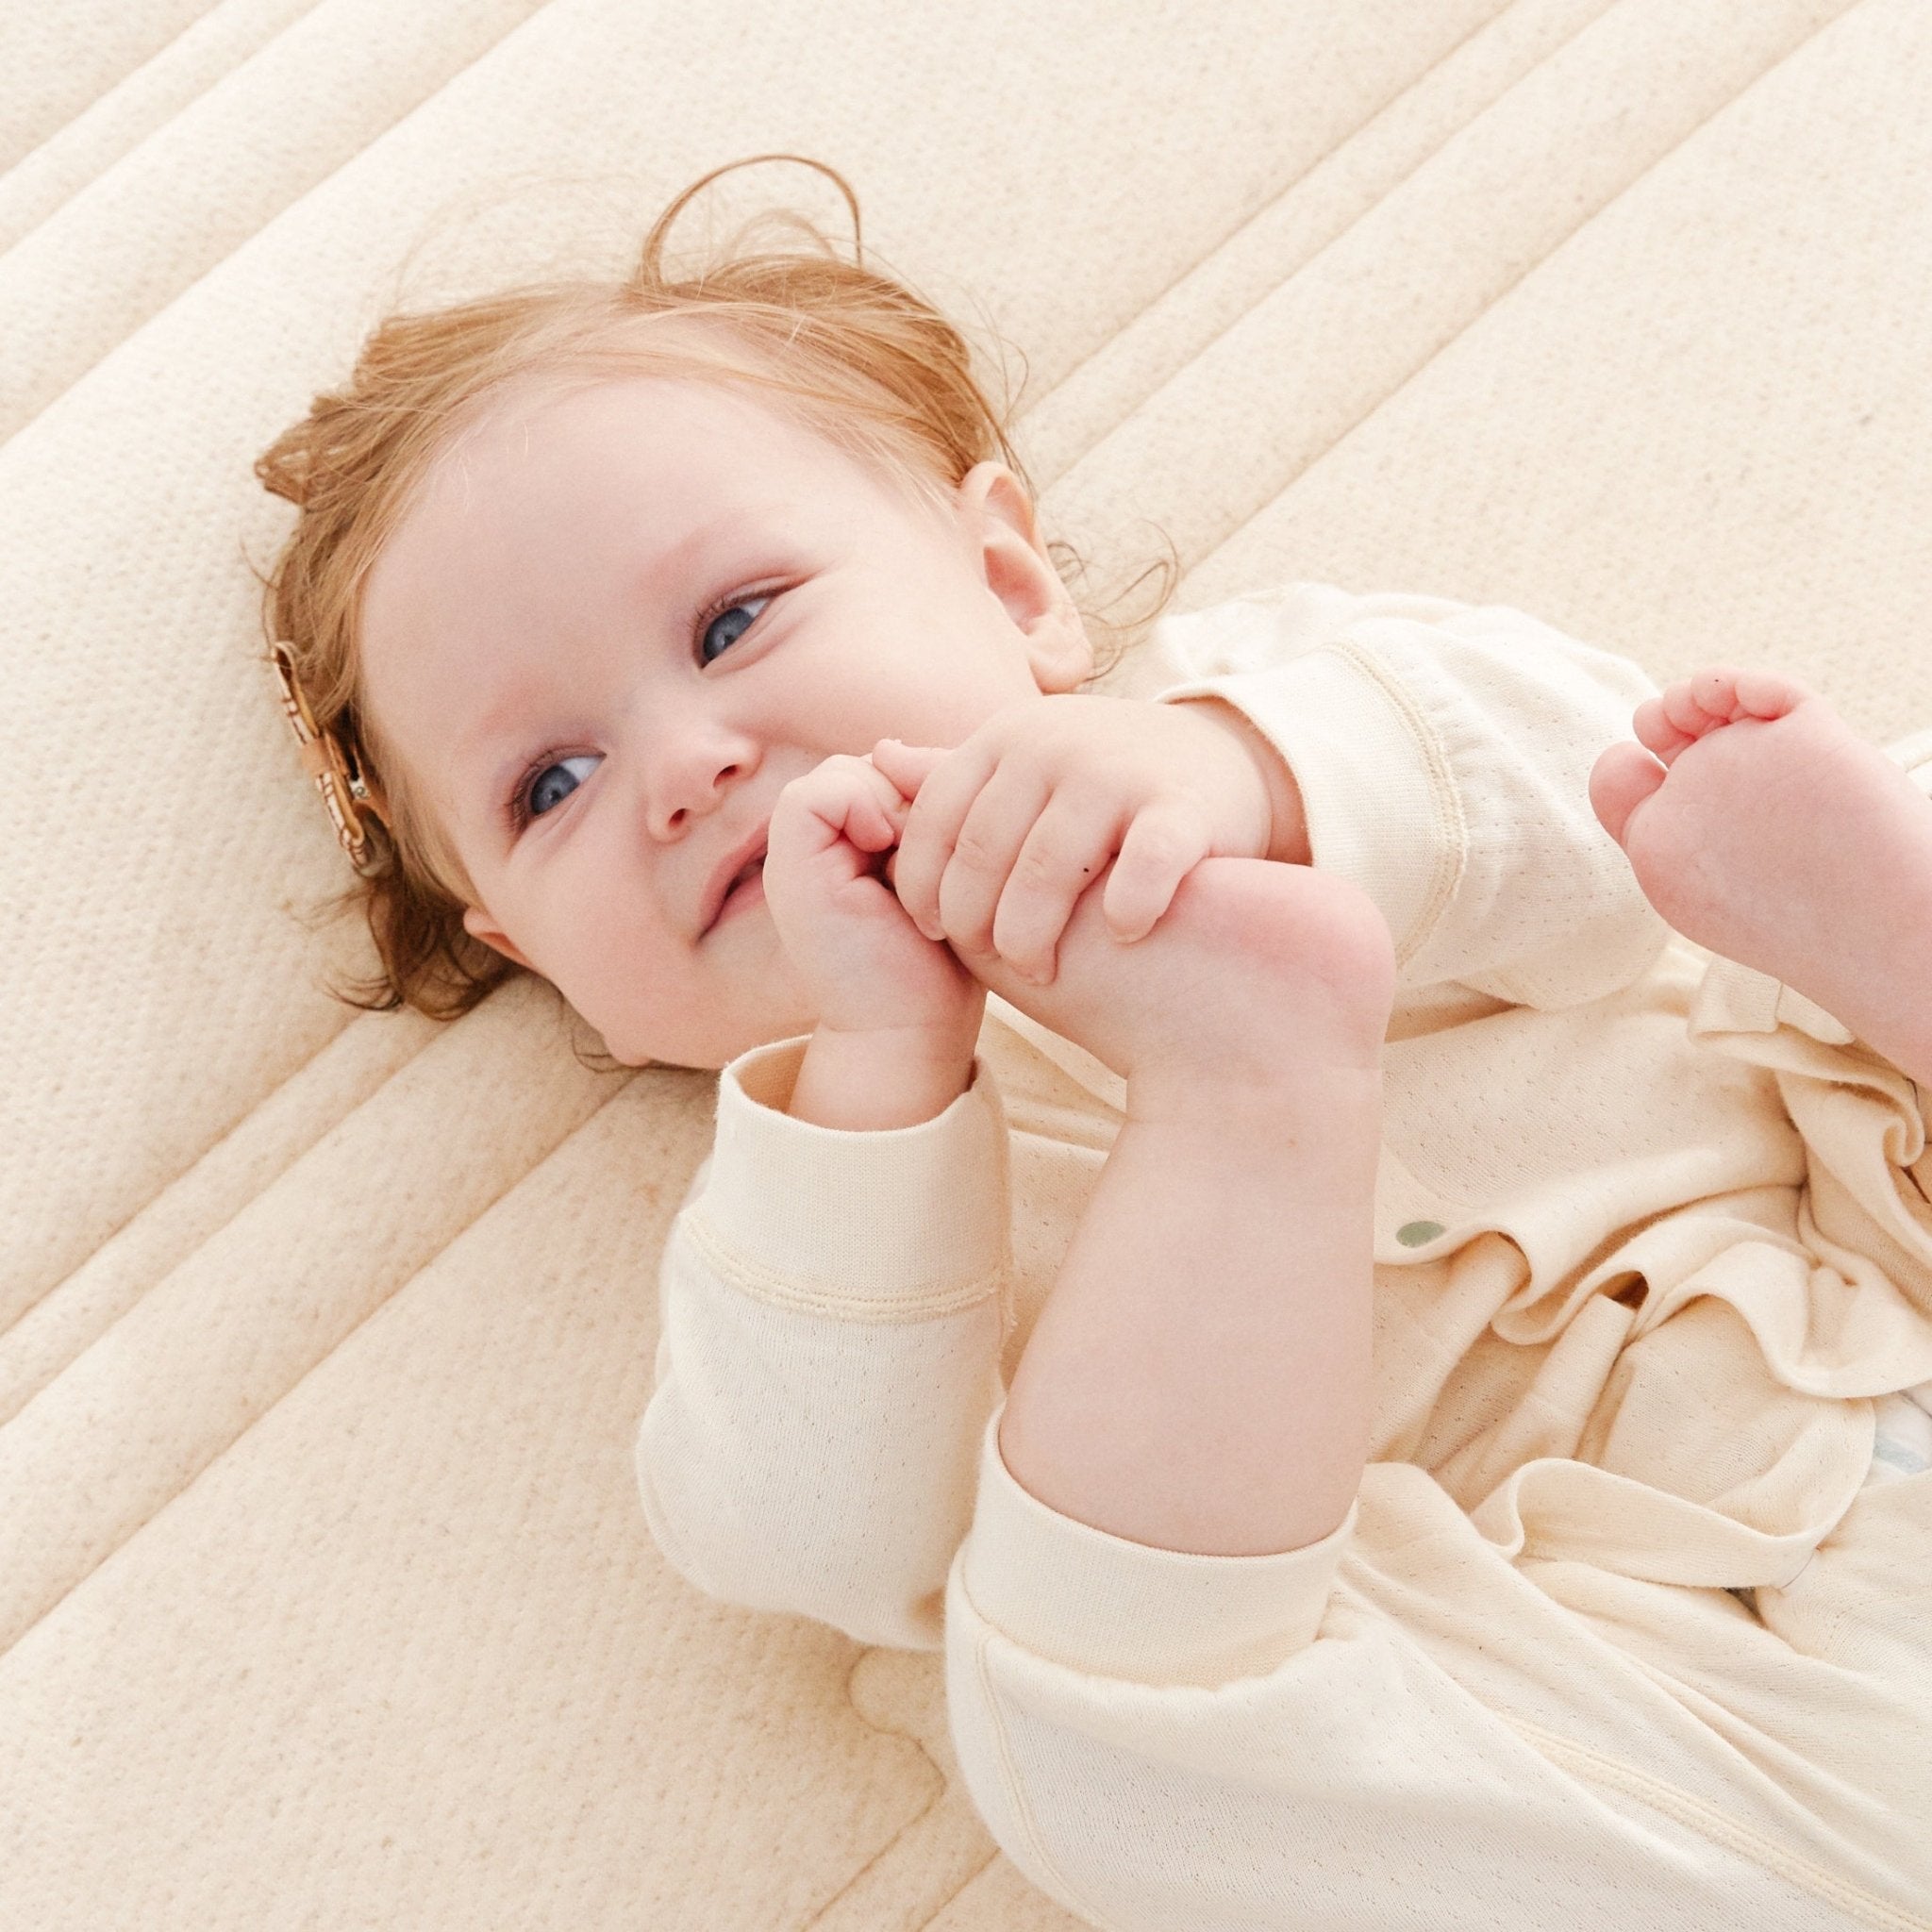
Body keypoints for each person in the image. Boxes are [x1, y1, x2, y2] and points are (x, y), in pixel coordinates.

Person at [258, 157, 1932, 1928]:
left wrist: (1243, 776)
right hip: (1654, 1695)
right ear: (541, 960)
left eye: (733, 622)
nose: (683, 766)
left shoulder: (1255, 721)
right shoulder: (791, 1208)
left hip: (1866, 1211)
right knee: (1089, 1739)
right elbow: (820, 1542)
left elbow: (1601, 797)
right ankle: (1249, 1094)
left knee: (1739, 817)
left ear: (1012, 585)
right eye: (553, 785)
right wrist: (881, 1092)